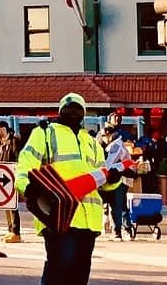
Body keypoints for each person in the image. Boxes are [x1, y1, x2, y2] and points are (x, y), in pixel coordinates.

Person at [16, 93, 121, 285]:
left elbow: (102, 180)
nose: (73, 112)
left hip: (88, 221)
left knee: (79, 276)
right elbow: (24, 166)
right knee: (58, 271)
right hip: (58, 215)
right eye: (69, 108)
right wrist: (28, 188)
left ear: (84, 114)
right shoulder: (45, 133)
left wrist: (114, 178)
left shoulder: (91, 142)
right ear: (60, 111)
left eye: (78, 109)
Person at [0, 121, 21, 243]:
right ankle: (10, 230)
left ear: (3, 129)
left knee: (13, 205)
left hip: (11, 175)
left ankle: (16, 232)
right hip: (2, 175)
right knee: (5, 204)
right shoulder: (0, 143)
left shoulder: (14, 141)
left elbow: (17, 157)